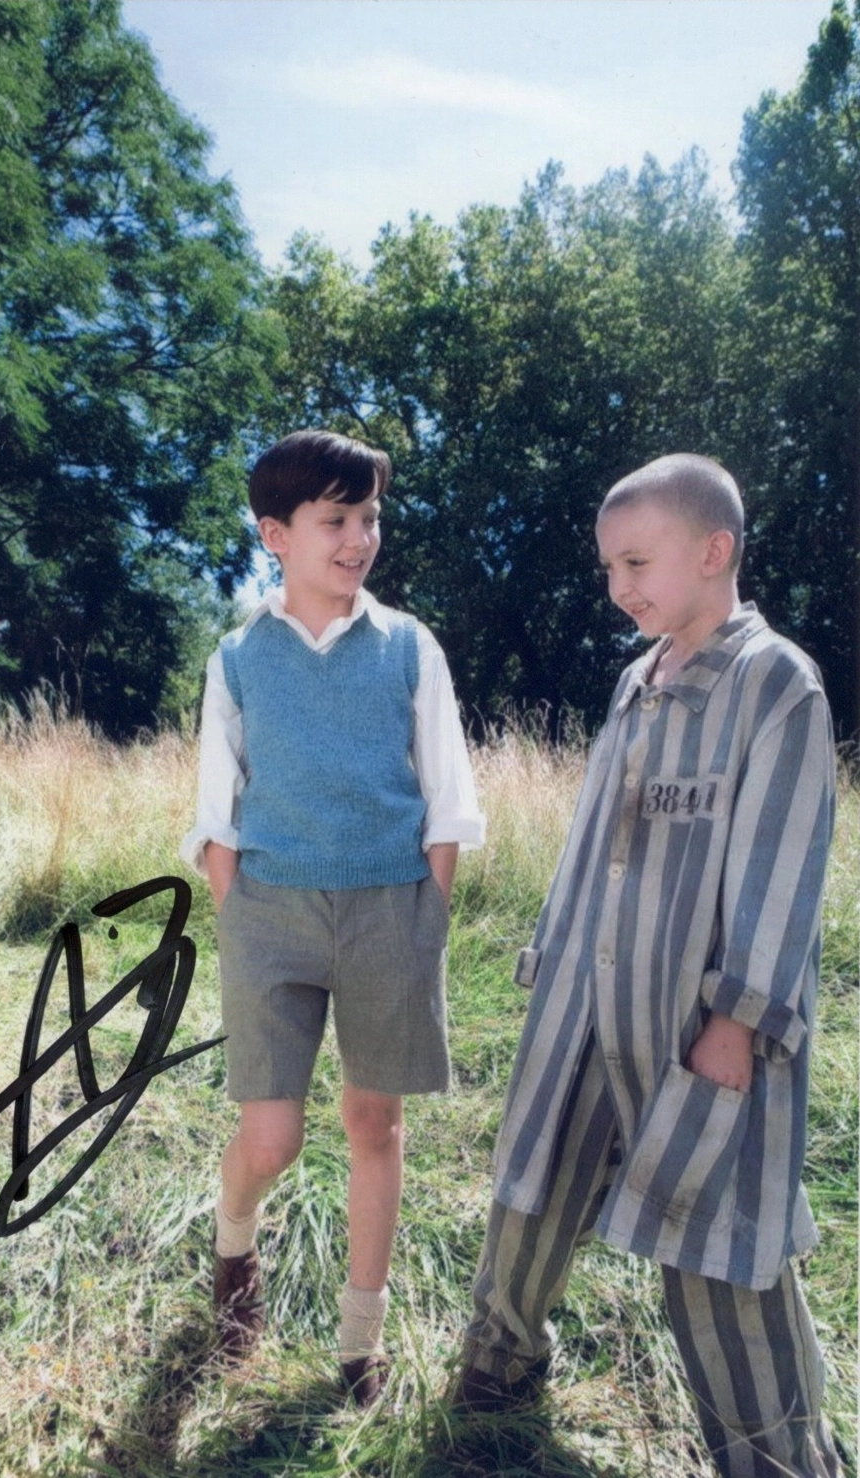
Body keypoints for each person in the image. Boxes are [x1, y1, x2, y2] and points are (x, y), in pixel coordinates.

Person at [453, 453, 840, 1477]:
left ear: (712, 552)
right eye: (606, 566)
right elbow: (592, 840)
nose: (617, 585)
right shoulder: (636, 678)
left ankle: (774, 1452)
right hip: (585, 1000)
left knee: (718, 1241)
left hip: (696, 1024)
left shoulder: (773, 683)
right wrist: (548, 963)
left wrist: (738, 1019)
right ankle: (496, 1359)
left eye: (635, 560)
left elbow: (782, 862)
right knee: (531, 1185)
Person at [181, 428, 485, 1406]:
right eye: (334, 519)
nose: (358, 538)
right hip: (269, 914)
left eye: (369, 518)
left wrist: (425, 911)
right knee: (269, 1138)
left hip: (387, 909)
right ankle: (234, 1242)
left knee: (371, 1119)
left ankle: (360, 1340)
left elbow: (446, 797)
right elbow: (214, 812)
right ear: (274, 533)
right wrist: (239, 912)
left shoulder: (407, 647)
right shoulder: (237, 658)